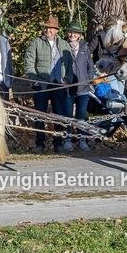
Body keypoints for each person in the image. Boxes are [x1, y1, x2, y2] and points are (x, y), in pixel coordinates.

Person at [24, 15, 73, 152]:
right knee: (39, 115)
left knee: (59, 116)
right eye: (46, 27)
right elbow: (29, 62)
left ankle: (58, 143)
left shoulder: (64, 44)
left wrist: (67, 80)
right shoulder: (36, 42)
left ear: (56, 30)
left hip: (58, 85)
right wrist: (34, 79)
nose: (48, 30)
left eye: (51, 28)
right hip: (42, 85)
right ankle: (40, 144)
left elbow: (70, 66)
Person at [65, 22, 93, 151]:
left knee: (81, 115)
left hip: (83, 87)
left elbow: (90, 66)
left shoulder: (85, 47)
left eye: (75, 33)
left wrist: (90, 79)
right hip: (68, 87)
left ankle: (82, 140)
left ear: (79, 35)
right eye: (70, 32)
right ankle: (68, 140)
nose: (72, 35)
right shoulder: (63, 46)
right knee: (68, 114)